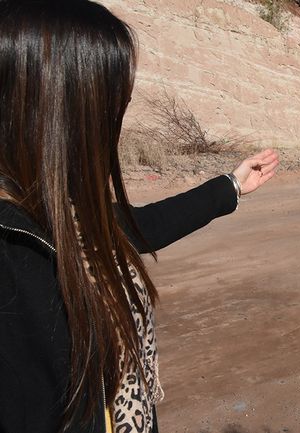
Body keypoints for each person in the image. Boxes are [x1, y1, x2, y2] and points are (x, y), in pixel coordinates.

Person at [0, 1, 279, 432]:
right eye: (111, 102)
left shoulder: (55, 214)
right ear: (57, 106)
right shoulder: (13, 247)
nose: (117, 119)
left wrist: (231, 186)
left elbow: (139, 226)